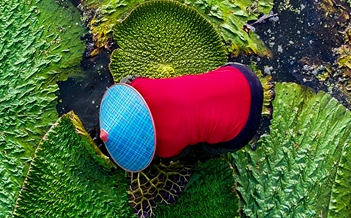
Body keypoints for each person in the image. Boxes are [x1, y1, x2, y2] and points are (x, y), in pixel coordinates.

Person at [98, 62, 264, 172]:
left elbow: (176, 154)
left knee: (198, 150)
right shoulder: (138, 86)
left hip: (244, 130)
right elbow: (127, 83)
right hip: (241, 75)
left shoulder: (163, 148)